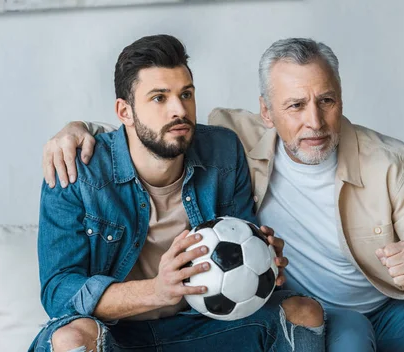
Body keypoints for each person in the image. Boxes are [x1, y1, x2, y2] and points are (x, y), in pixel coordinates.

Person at [44, 38, 404, 351]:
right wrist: (75, 130)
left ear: (341, 97)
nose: (314, 123)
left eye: (326, 101)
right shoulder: (233, 138)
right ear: (266, 111)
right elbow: (149, 134)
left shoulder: (396, 164)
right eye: (295, 106)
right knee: (341, 334)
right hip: (325, 316)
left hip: (391, 306)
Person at [32, 35, 325, 352]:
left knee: (304, 312)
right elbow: (58, 291)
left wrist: (262, 261)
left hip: (201, 326)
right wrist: (156, 291)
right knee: (70, 339)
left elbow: (239, 240)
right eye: (159, 98)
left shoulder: (224, 152)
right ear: (125, 111)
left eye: (186, 94)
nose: (179, 110)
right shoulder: (75, 169)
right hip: (117, 336)